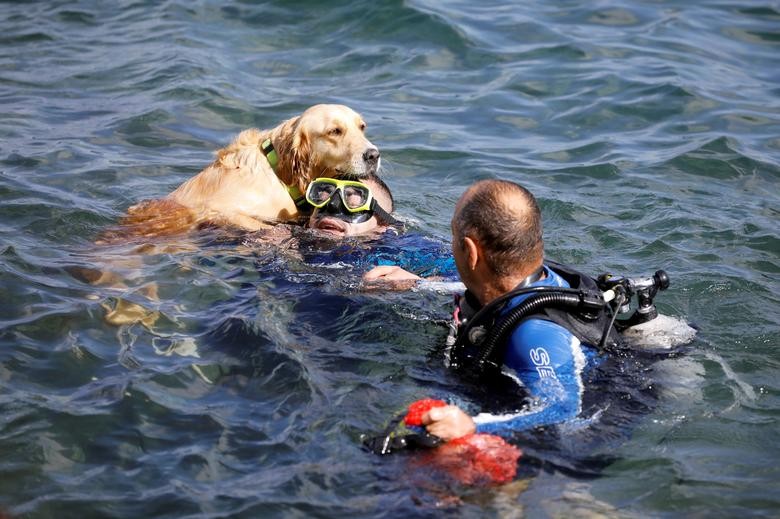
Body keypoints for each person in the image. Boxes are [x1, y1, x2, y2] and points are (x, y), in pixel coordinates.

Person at [363, 179, 628, 441]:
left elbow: (563, 412)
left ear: (470, 252)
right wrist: (418, 285)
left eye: (454, 236)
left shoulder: (534, 334)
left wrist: (474, 428)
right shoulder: (531, 275)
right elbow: (479, 287)